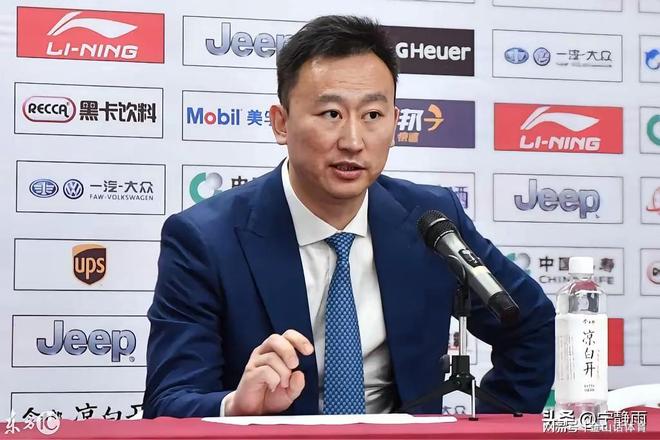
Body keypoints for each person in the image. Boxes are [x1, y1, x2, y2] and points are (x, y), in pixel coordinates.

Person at [143, 15, 554, 418]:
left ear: (395, 122)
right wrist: (237, 406)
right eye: (331, 114)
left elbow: (530, 324)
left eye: (372, 115)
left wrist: (489, 426)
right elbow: (168, 401)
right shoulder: (206, 239)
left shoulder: (431, 221)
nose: (353, 141)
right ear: (281, 123)